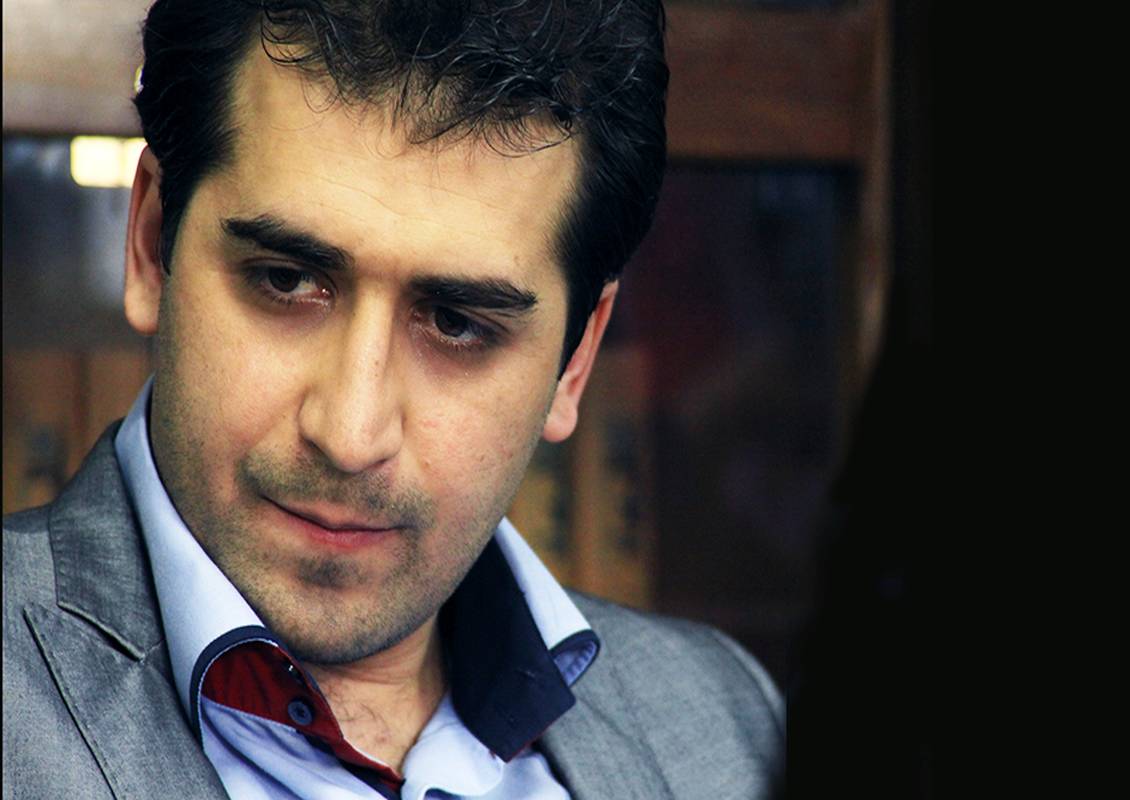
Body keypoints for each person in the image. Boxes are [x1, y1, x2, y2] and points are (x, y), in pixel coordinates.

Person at [3, 1, 783, 797]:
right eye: (286, 280)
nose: (350, 434)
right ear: (149, 243)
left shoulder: (726, 731)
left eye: (456, 323)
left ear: (575, 361)